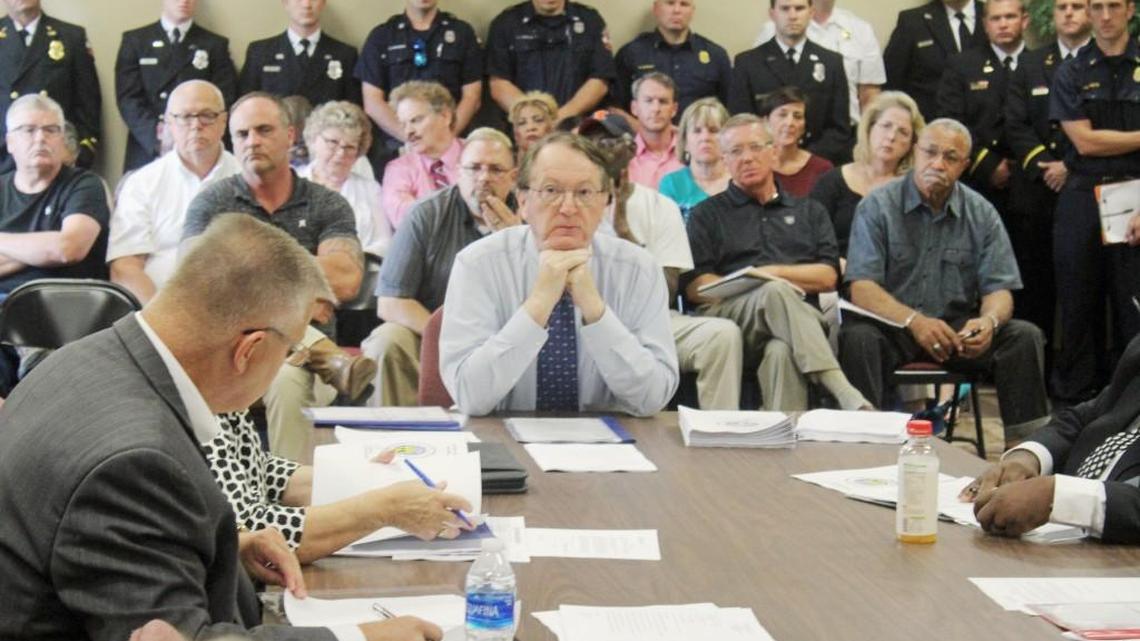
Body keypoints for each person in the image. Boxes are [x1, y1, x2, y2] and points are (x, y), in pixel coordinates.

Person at [0, 213, 445, 641]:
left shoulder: (81, 359)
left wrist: (229, 549)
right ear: (248, 350)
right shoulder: (137, 464)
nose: (286, 362)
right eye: (290, 348)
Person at [183, 92, 375, 461]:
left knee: (287, 380)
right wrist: (304, 294)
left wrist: (242, 266)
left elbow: (347, 279)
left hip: (299, 370)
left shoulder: (327, 204)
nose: (252, 141)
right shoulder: (212, 203)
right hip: (231, 358)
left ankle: (296, 512)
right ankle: (327, 356)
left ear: (290, 136)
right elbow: (195, 283)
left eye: (263, 130)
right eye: (242, 134)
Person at [839, 118, 1050, 446]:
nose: (938, 164)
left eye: (950, 157)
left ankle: (1027, 452)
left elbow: (1000, 289)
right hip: (893, 326)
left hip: (956, 330)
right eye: (930, 152)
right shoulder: (878, 206)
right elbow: (861, 287)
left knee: (1023, 336)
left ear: (965, 165)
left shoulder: (982, 212)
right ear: (915, 153)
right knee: (857, 338)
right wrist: (914, 321)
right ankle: (868, 444)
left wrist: (988, 322)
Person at [440, 132, 679, 416]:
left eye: (584, 193)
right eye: (551, 191)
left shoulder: (638, 270)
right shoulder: (478, 265)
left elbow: (653, 398)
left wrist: (595, 310)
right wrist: (538, 305)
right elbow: (470, 396)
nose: (568, 208)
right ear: (523, 201)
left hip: (609, 445)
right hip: (502, 441)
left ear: (605, 202)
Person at [683, 113, 870, 412]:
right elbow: (695, 289)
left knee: (781, 350)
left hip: (798, 326)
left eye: (755, 147)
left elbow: (827, 276)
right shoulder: (707, 214)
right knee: (773, 292)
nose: (747, 158)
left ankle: (785, 439)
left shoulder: (810, 211)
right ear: (725, 161)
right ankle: (839, 387)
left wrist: (771, 273)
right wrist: (754, 283)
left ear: (773, 151)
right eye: (735, 151)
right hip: (731, 320)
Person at [580, 111, 743, 410]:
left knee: (721, 336)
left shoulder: (659, 206)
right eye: (588, 141)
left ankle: (719, 436)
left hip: (648, 322)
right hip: (582, 319)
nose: (597, 148)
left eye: (607, 140)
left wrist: (624, 231)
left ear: (630, 149)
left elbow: (665, 293)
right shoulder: (568, 204)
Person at [361, 128, 520, 407]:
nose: (483, 178)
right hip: (431, 334)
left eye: (495, 169)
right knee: (387, 340)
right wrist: (450, 338)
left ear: (513, 176)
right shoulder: (426, 214)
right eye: (474, 168)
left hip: (507, 339)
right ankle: (392, 440)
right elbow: (390, 303)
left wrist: (517, 244)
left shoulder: (530, 217)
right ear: (458, 172)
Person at [205, 410, 472, 562]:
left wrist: (369, 481)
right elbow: (248, 534)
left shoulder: (216, 395)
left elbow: (258, 471)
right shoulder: (193, 412)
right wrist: (385, 508)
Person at [960, 332, 1140, 544]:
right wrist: (1027, 456)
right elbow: (1082, 418)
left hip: (1118, 562)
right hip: (1061, 547)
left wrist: (1057, 497)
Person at [1049, 0, 1140, 403]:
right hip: (1083, 196)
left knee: (1131, 307)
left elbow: (1095, 138)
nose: (1105, 16)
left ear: (1130, 9)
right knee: (1077, 304)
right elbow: (1084, 141)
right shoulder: (1072, 70)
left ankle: (1130, 404)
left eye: (1113, 6)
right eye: (1096, 6)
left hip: (1137, 197)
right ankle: (1072, 406)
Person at [0, 95, 110, 397]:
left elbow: (69, 248)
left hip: (64, 308)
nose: (41, 138)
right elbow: (56, 248)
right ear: (10, 141)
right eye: (29, 130)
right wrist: (43, 246)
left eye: (51, 130)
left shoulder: (85, 185)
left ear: (63, 138)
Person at [1004, 0, 1090, 378]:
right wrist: (1047, 166)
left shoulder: (1103, 60)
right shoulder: (1031, 62)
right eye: (1062, 7)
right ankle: (1035, 375)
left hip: (1084, 184)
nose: (1069, 14)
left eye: (1077, 6)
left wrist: (1070, 165)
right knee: (1036, 290)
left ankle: (1081, 374)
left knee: (1082, 291)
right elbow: (1015, 122)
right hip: (1037, 192)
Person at [109, 80, 240, 304]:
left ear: (224, 120)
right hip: (158, 310)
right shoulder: (142, 183)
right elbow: (125, 267)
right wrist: (161, 320)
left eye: (207, 115)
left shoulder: (249, 178)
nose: (196, 125)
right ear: (169, 122)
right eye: (185, 117)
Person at [115, 0, 238, 172]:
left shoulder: (214, 45)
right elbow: (128, 99)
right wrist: (158, 139)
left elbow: (224, 98)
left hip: (198, 146)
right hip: (148, 147)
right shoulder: (136, 41)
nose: (184, 1)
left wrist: (194, 135)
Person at [728, 0, 851, 165]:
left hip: (817, 164)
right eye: (785, 9)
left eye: (799, 8)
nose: (792, 16)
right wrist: (770, 154)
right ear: (772, 13)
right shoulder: (748, 63)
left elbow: (839, 128)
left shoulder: (831, 63)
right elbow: (740, 122)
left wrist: (805, 159)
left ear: (811, 12)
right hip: (763, 163)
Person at [936, 0, 1027, 209]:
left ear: (1025, 21)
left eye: (1010, 17)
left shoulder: (1040, 64)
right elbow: (951, 121)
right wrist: (988, 164)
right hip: (978, 180)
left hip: (1030, 179)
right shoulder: (962, 65)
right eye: (995, 18)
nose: (1003, 24)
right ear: (985, 25)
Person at [809, 91, 923, 257]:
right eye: (886, 126)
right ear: (869, 129)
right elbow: (810, 238)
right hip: (834, 271)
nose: (891, 136)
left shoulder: (914, 190)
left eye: (903, 132)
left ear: (913, 143)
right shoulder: (831, 181)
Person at [357, 0, 482, 141]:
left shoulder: (462, 33)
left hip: (450, 140)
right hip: (398, 144)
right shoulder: (381, 36)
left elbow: (472, 97)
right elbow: (372, 101)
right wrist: (410, 138)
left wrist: (445, 138)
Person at [0, 0, 101, 170]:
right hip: (4, 162)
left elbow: (88, 106)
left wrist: (79, 154)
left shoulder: (71, 37)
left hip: (56, 163)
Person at [755, 0, 886, 124]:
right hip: (784, 134)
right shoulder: (772, 29)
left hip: (843, 136)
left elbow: (869, 95)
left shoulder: (860, 30)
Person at [485, 0, 616, 120]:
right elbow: (499, 84)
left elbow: (600, 80)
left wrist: (560, 118)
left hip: (578, 128)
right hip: (526, 133)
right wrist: (534, 119)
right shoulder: (506, 23)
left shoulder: (590, 20)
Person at [299, 100, 391, 257]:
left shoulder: (370, 189)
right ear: (314, 140)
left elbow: (385, 243)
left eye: (349, 147)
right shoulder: (292, 183)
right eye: (333, 142)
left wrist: (350, 262)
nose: (341, 153)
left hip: (359, 273)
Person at [614, 0, 732, 118]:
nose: (677, 10)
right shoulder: (631, 53)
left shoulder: (715, 55)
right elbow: (615, 107)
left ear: (692, 11)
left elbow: (730, 108)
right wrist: (640, 130)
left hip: (700, 134)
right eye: (670, 3)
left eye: (684, 4)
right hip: (645, 134)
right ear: (656, 9)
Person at [238, 0, 362, 108]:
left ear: (323, 3)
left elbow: (353, 110)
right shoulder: (261, 52)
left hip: (326, 133)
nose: (306, 4)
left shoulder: (344, 54)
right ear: (285, 3)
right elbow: (245, 106)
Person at [883, 0, 986, 120]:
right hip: (929, 126)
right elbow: (892, 83)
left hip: (989, 128)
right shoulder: (913, 21)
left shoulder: (998, 15)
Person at [381, 80, 464, 229]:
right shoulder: (398, 169)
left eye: (416, 120)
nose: (408, 132)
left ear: (446, 116)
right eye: (403, 124)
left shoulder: (478, 154)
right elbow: (409, 223)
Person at [659, 97, 731, 221]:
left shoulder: (741, 182)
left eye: (713, 131)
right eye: (697, 131)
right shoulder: (671, 184)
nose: (705, 138)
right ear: (685, 141)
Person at [759, 86, 833, 197]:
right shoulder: (754, 165)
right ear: (765, 121)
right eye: (782, 115)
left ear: (804, 126)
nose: (789, 123)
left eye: (797, 117)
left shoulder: (822, 169)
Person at [628, 72, 685, 190]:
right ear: (634, 108)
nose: (656, 109)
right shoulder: (622, 158)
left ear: (674, 109)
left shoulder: (691, 152)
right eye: (648, 101)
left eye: (663, 101)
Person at [508, 91, 558, 163]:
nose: (530, 128)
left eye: (538, 120)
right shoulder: (507, 167)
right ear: (516, 134)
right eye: (522, 123)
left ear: (553, 127)